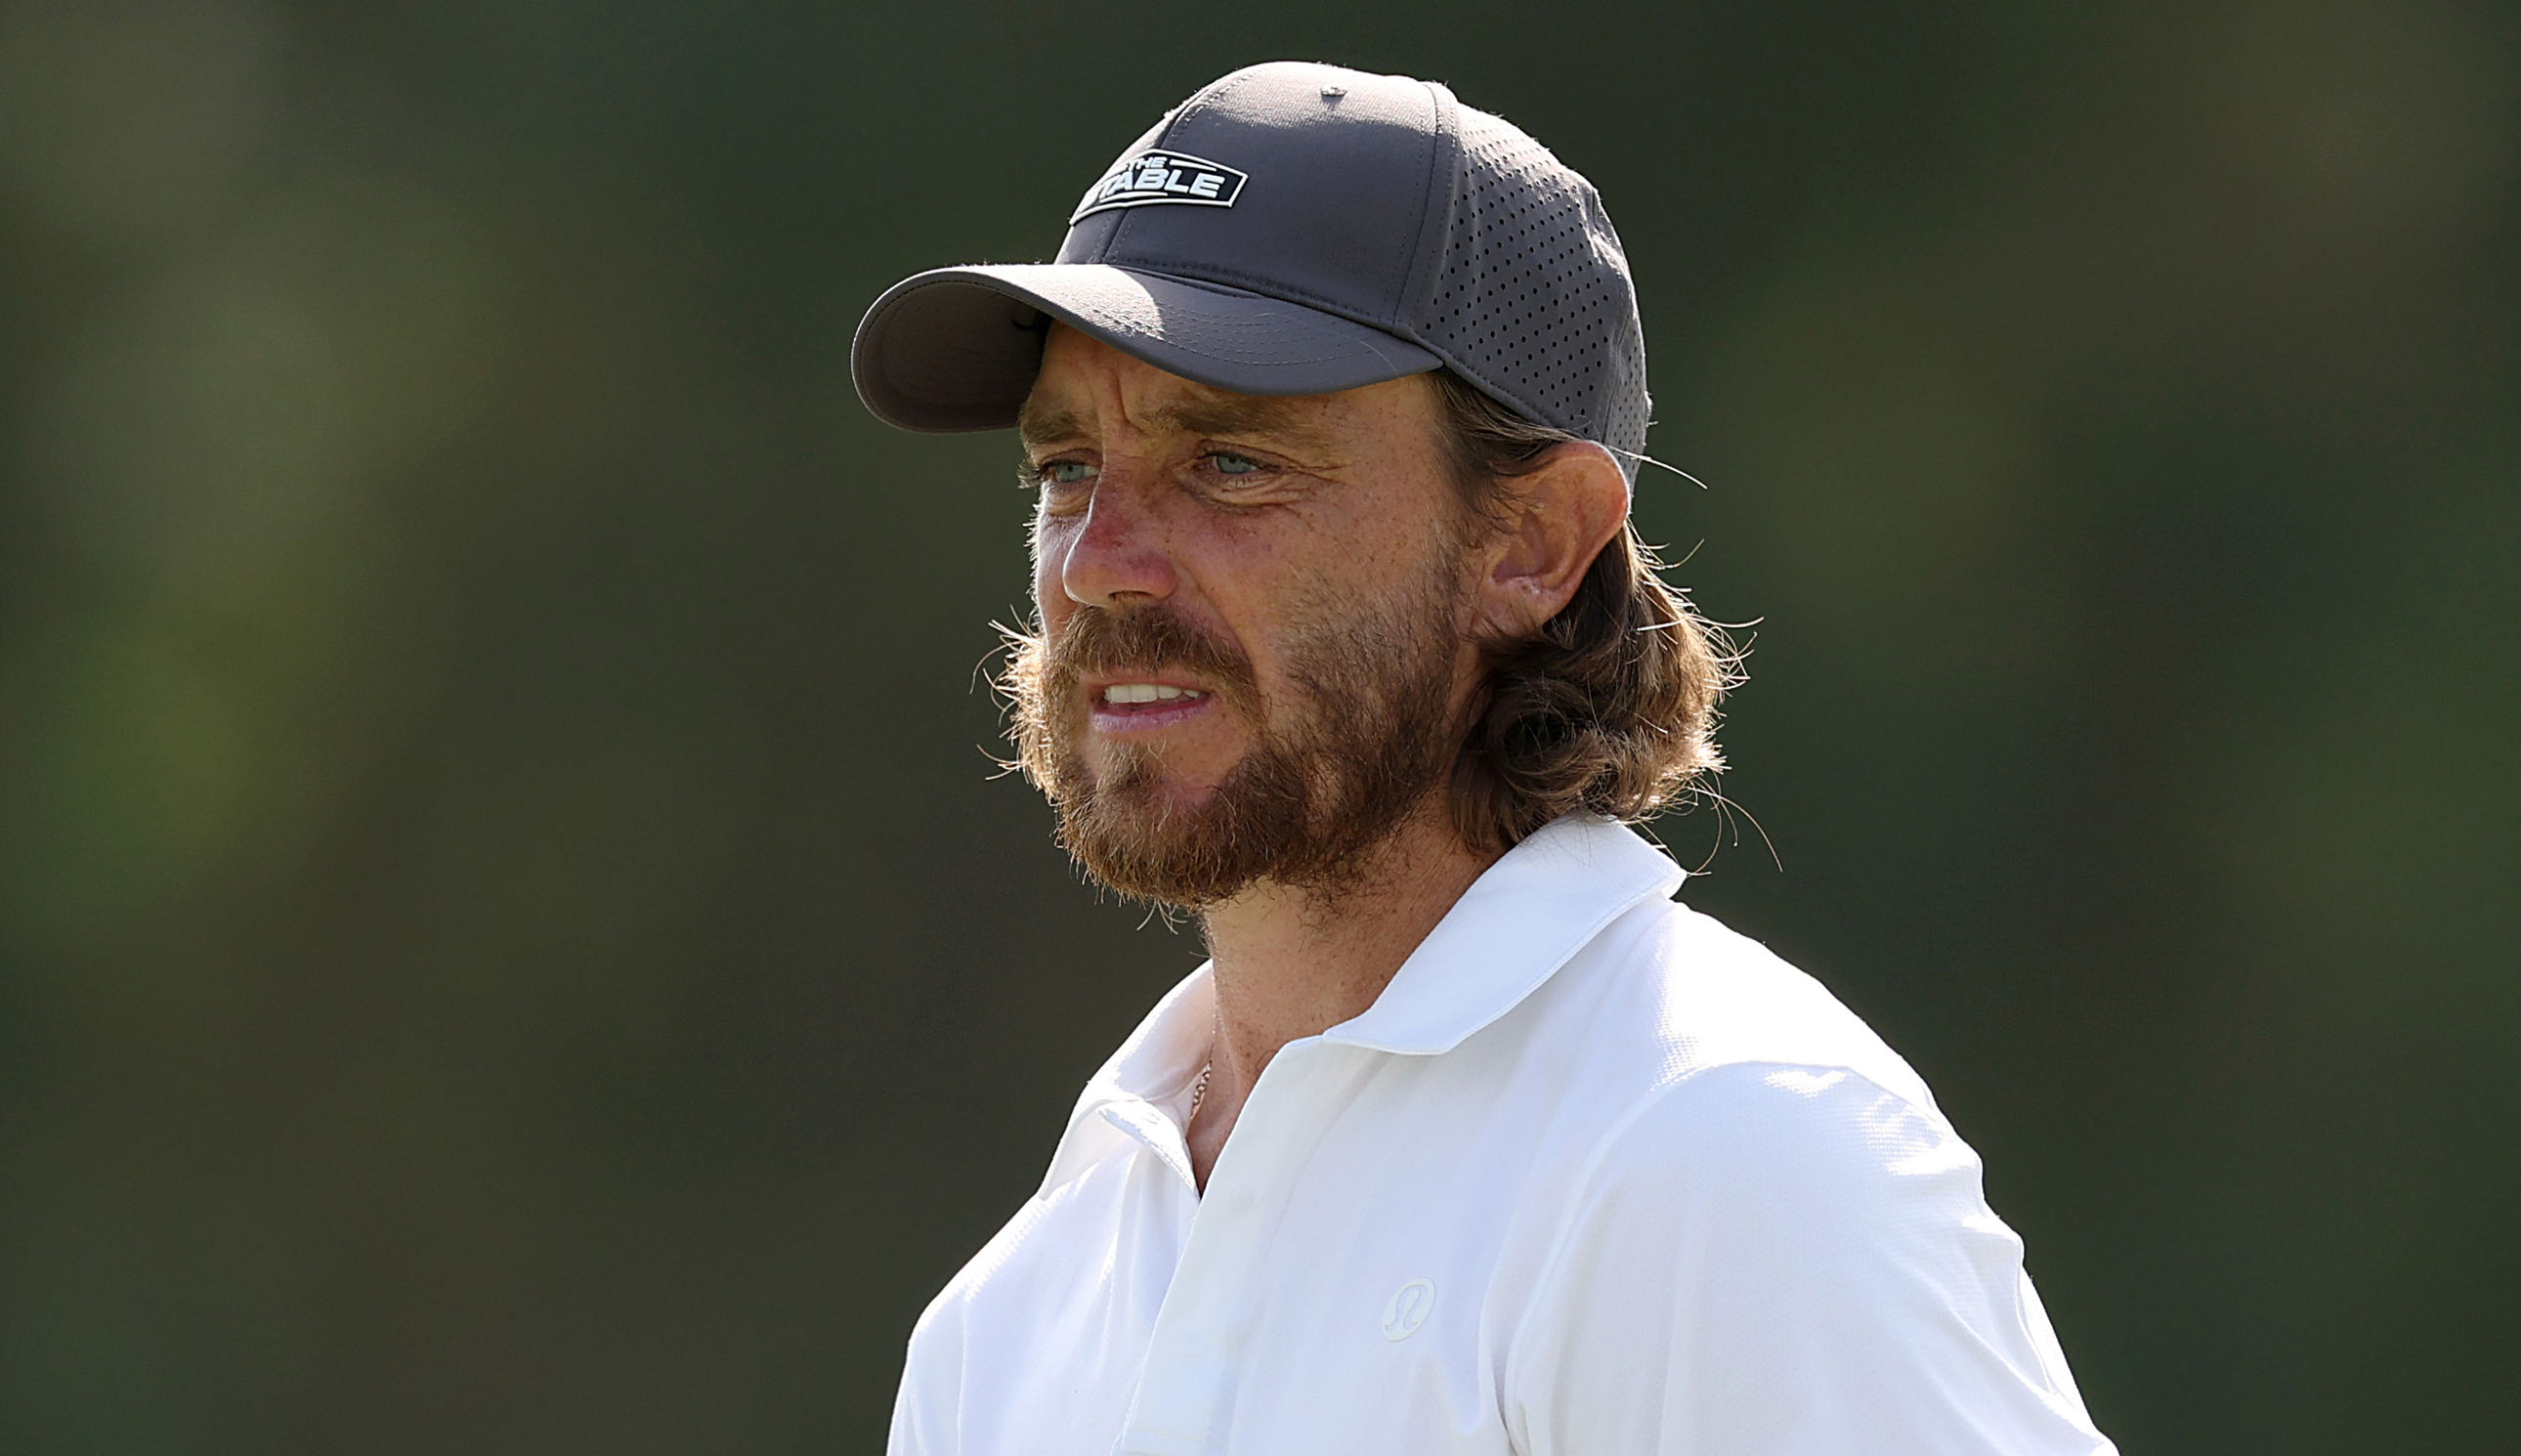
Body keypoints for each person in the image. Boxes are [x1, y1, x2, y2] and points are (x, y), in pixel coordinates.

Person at [850, 60, 2116, 1456]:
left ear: (1534, 542)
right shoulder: (1008, 1324)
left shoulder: (1728, 1153)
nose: (1097, 565)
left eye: (1231, 463)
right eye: (1066, 469)